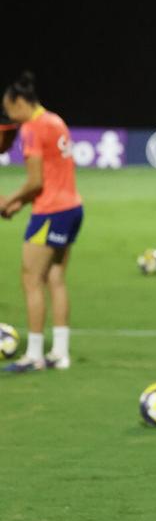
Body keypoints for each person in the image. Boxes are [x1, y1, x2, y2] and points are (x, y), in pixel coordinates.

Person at [0, 71, 83, 372]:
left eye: (9, 108)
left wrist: (10, 201)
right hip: (72, 208)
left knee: (30, 279)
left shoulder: (32, 129)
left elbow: (36, 181)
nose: (9, 115)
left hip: (50, 211)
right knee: (55, 279)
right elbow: (48, 179)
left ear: (19, 101)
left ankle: (33, 355)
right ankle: (60, 353)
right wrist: (18, 204)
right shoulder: (55, 120)